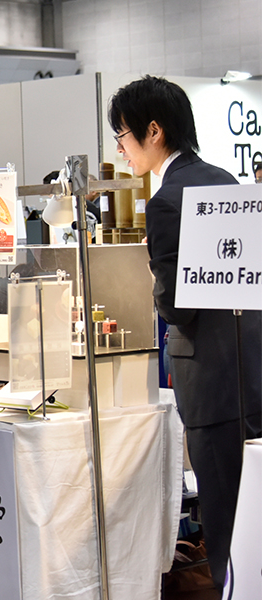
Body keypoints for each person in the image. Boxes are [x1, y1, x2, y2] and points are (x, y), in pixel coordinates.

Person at [108, 75, 261, 591]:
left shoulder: (168, 200)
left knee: (222, 522)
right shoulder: (227, 182)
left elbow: (178, 308)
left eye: (123, 137)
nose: (123, 150)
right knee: (251, 522)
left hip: (212, 386)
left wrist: (152, 277)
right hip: (250, 373)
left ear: (154, 131)